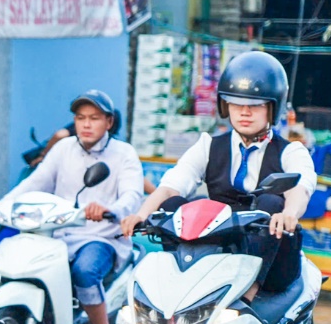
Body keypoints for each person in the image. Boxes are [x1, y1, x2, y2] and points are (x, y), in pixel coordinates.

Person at [120, 51, 316, 296]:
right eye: (236, 103)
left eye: (255, 105)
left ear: (272, 108)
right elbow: (171, 186)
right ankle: (173, 285)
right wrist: (140, 215)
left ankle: (247, 294)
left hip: (272, 262)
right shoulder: (208, 146)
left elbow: (300, 186)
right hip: (216, 251)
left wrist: (289, 213)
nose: (244, 112)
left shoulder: (290, 151)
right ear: (225, 105)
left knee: (270, 202)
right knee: (174, 204)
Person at [0, 89, 144, 324]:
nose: (86, 124)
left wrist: (110, 210)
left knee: (84, 271)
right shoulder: (63, 148)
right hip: (57, 234)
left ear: (109, 122)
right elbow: (35, 183)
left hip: (101, 236)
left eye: (94, 118)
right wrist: (2, 205)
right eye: (80, 118)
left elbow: (132, 195)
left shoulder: (124, 154)